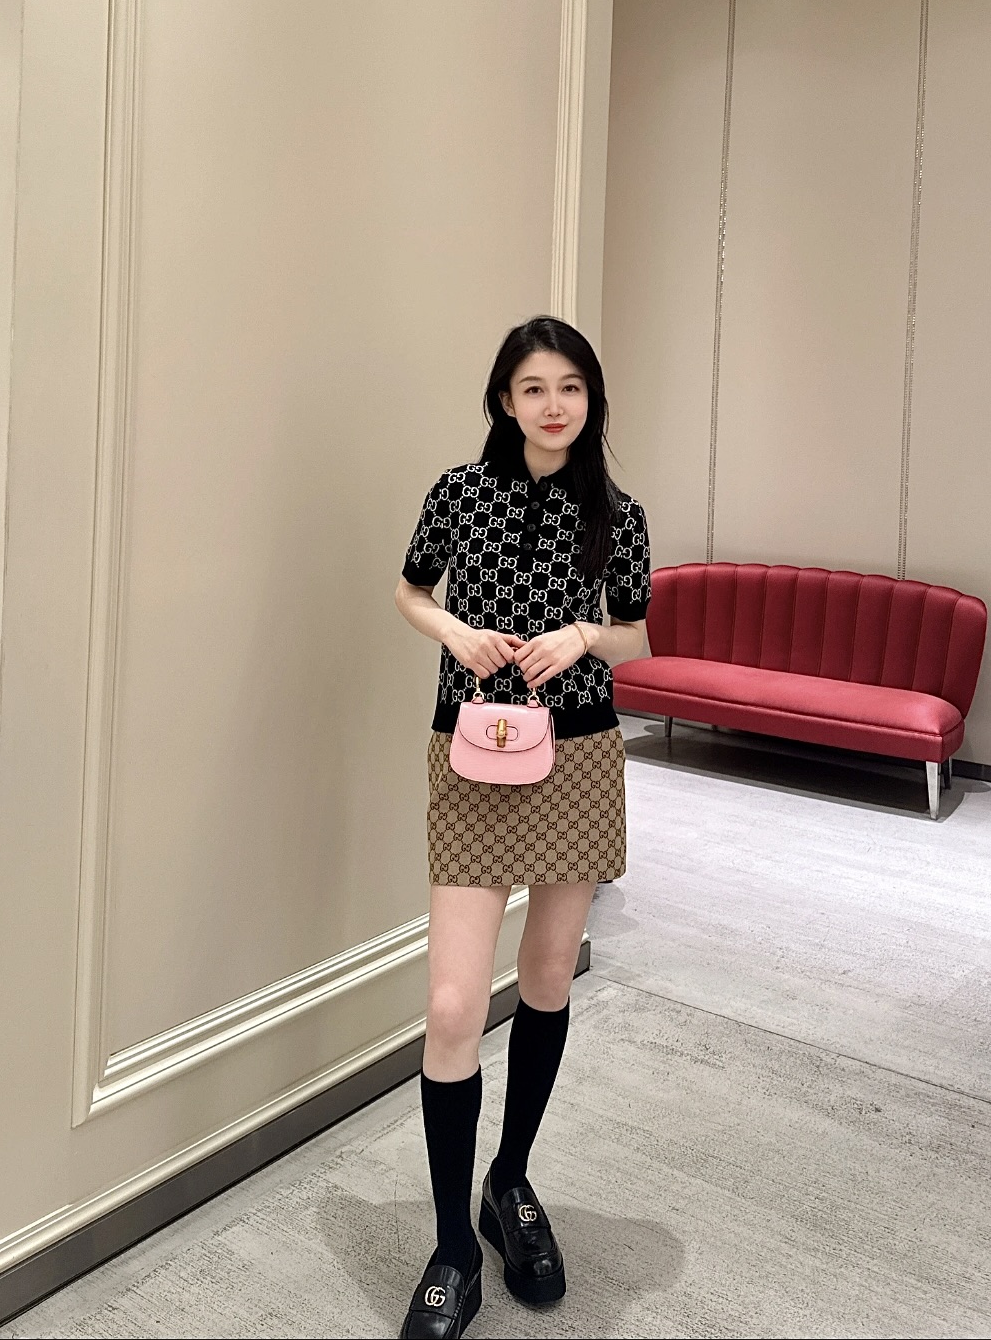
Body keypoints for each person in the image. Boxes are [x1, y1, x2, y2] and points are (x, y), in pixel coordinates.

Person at [393, 316, 651, 1339]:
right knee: (454, 1005)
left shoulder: (618, 514)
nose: (554, 404)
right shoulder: (459, 492)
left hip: (577, 756)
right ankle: (454, 1247)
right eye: (534, 387)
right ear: (505, 400)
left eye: (571, 387)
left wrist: (583, 634)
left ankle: (510, 1180)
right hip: (471, 754)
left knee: (546, 977)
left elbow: (636, 630)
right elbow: (410, 589)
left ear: (591, 400)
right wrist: (455, 630)